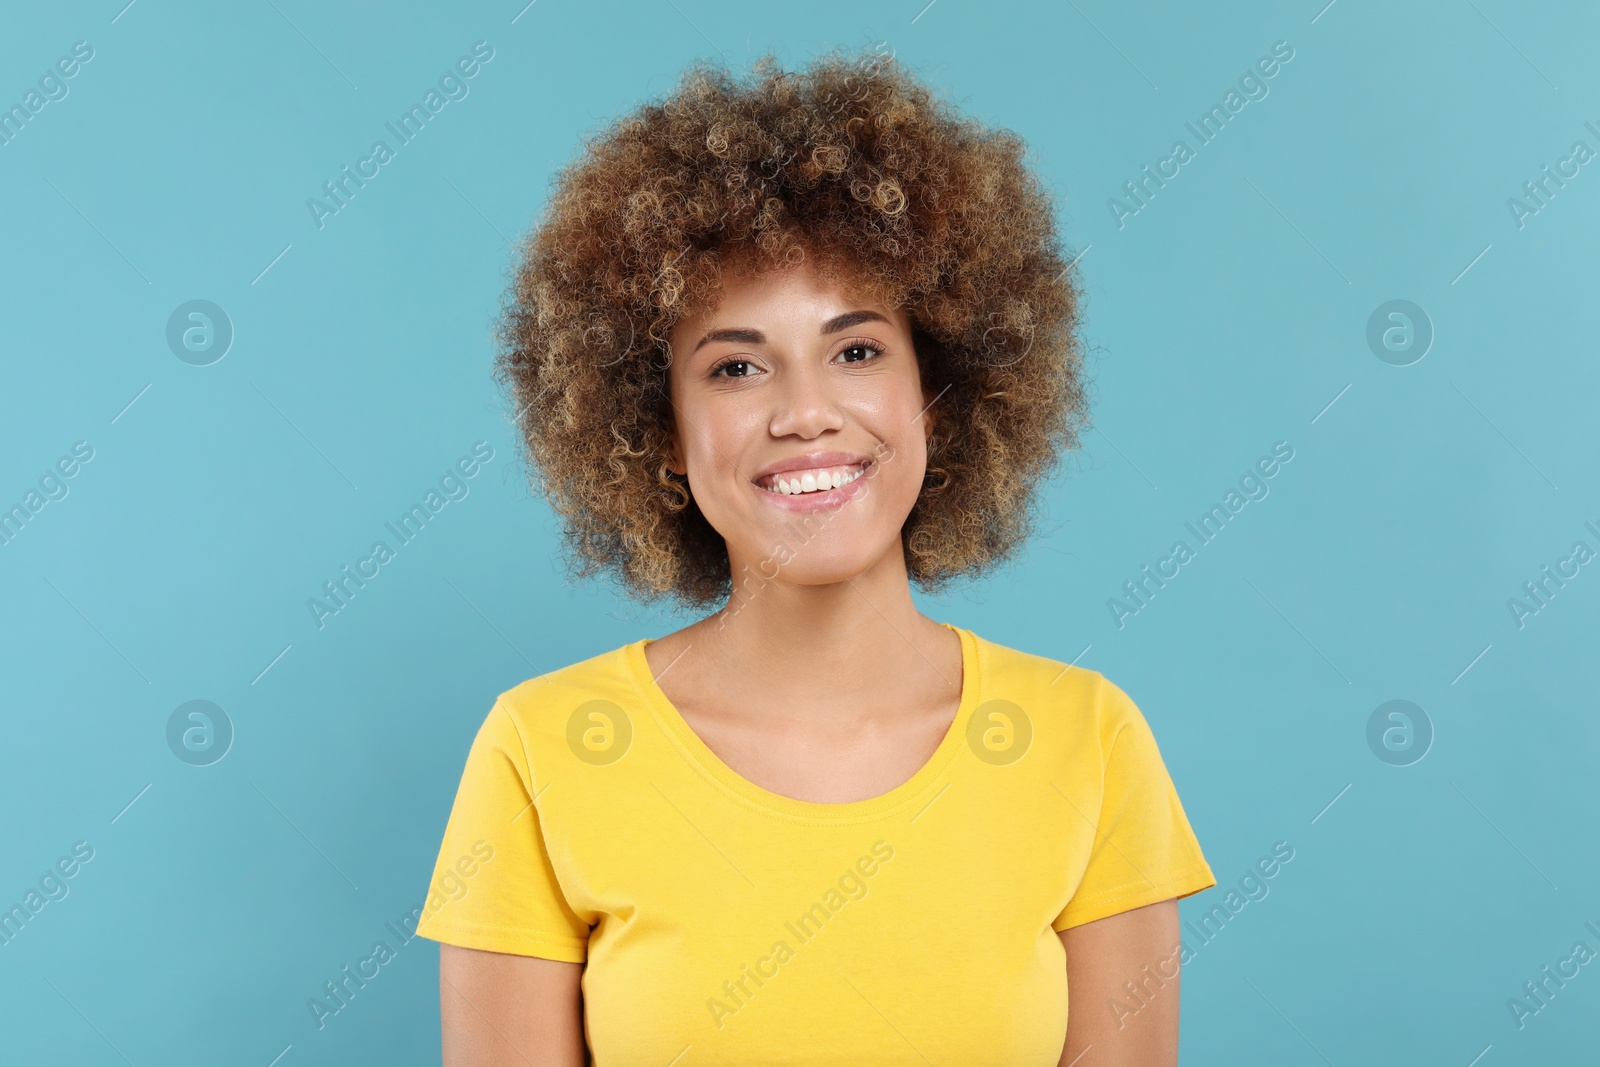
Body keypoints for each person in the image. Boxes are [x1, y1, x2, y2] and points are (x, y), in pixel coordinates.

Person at [416, 46, 1215, 1066]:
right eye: (737, 366)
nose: (805, 413)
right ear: (659, 430)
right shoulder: (543, 748)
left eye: (856, 350)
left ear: (938, 389)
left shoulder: (1087, 741)